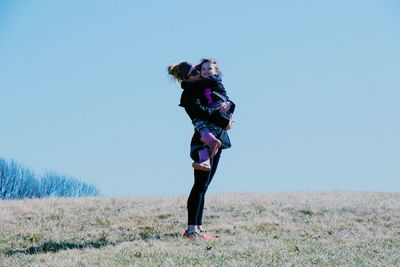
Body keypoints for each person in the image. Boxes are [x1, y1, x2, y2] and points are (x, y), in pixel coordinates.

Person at [168, 60, 235, 240]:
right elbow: (201, 112)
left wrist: (229, 108)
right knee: (199, 186)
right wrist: (224, 121)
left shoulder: (202, 85)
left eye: (198, 69)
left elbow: (226, 100)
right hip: (203, 142)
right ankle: (191, 231)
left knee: (204, 187)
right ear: (187, 78)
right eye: (195, 71)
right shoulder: (189, 93)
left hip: (218, 139)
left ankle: (197, 229)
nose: (199, 72)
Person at [181, 58, 235, 171]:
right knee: (204, 129)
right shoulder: (199, 87)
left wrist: (229, 104)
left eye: (209, 68)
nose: (205, 71)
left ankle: (206, 158)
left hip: (218, 110)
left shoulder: (212, 80)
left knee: (208, 133)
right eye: (203, 69)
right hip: (215, 113)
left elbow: (196, 87)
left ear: (216, 71)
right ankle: (205, 161)